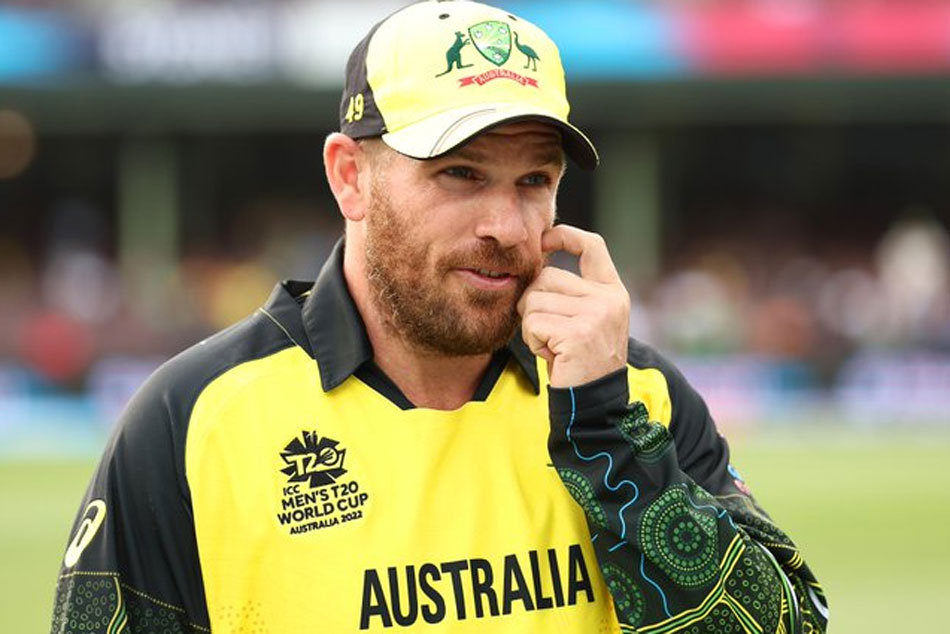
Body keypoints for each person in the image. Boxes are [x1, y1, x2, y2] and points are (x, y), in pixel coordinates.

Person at [50, 1, 828, 632]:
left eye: (534, 180)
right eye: (460, 173)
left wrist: (609, 436)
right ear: (349, 177)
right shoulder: (193, 422)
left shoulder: (633, 397)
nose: (506, 226)